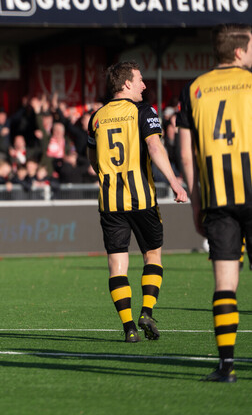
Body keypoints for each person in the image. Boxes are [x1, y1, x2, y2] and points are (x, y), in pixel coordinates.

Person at [88, 61, 187, 344]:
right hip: (142, 199)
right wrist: (175, 182)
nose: (144, 85)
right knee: (152, 255)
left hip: (110, 203)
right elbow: (155, 146)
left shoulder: (96, 117)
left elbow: (93, 160)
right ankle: (146, 311)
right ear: (127, 83)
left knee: (116, 265)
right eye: (140, 80)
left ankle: (129, 328)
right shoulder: (144, 111)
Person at [177, 23, 252, 383]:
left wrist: (196, 204)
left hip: (217, 200)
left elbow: (186, 155)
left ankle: (226, 366)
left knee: (225, 283)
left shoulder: (194, 88)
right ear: (238, 51)